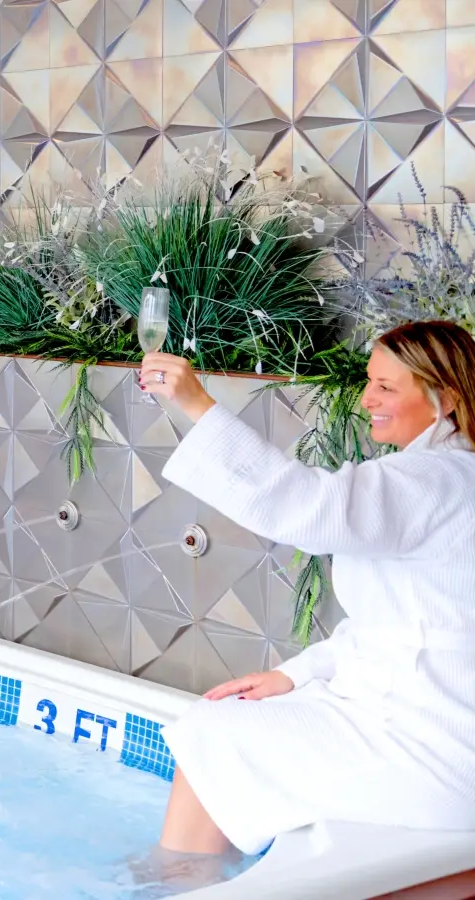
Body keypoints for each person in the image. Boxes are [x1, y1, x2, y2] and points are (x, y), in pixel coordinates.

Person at [138, 320, 475, 864]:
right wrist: (292, 675)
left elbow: (304, 506)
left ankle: (172, 882)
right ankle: (181, 876)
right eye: (370, 381)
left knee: (213, 735)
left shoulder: (434, 480)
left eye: (387, 388)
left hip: (433, 748)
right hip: (420, 723)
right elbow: (398, 623)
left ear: (447, 398)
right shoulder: (447, 476)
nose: (368, 399)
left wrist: (198, 405)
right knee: (225, 725)